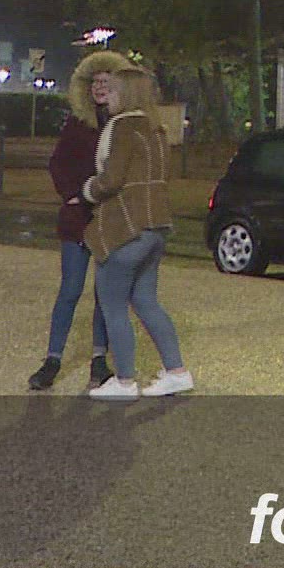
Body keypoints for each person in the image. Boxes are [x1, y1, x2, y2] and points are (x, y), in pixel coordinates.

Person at [81, 67, 191, 402]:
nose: (107, 97)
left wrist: (87, 190)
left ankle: (125, 381)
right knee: (145, 300)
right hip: (156, 225)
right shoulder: (157, 129)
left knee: (113, 304)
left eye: (113, 90)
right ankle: (177, 372)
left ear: (126, 94)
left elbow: (112, 179)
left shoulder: (123, 126)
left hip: (126, 225)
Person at [27, 50, 134, 392]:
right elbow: (58, 163)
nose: (100, 88)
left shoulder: (125, 124)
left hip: (109, 218)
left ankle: (99, 359)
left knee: (105, 293)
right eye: (95, 82)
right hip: (77, 219)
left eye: (107, 81)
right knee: (70, 290)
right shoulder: (77, 123)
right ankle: (53, 358)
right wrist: (72, 194)